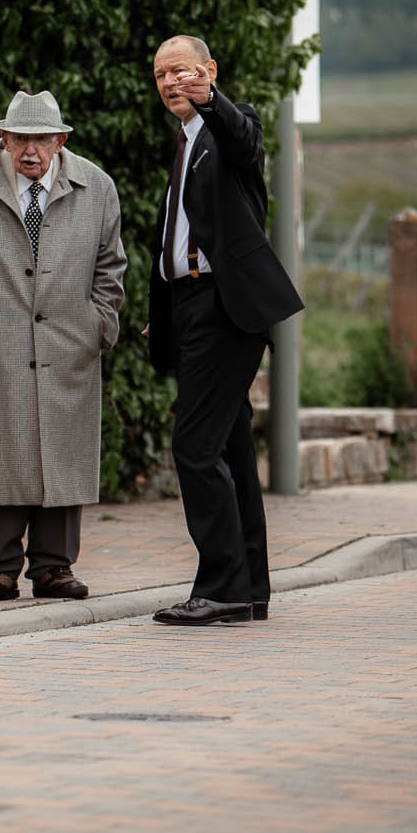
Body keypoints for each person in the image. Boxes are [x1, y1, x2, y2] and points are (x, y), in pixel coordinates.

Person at [0, 90, 127, 602]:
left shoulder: (96, 186)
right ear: (3, 138)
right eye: (20, 139)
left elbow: (111, 268)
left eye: (41, 139)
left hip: (68, 343)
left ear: (61, 140)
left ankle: (54, 568)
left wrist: (98, 325)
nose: (30, 150)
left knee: (61, 453)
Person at [147, 35, 304, 626]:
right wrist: (163, 311)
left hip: (224, 310)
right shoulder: (184, 145)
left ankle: (220, 587)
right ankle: (249, 588)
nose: (171, 83)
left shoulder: (228, 131)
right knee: (231, 449)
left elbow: (244, 135)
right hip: (192, 307)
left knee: (195, 445)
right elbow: (182, 241)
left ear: (209, 72)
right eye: (161, 75)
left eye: (181, 71)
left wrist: (213, 100)